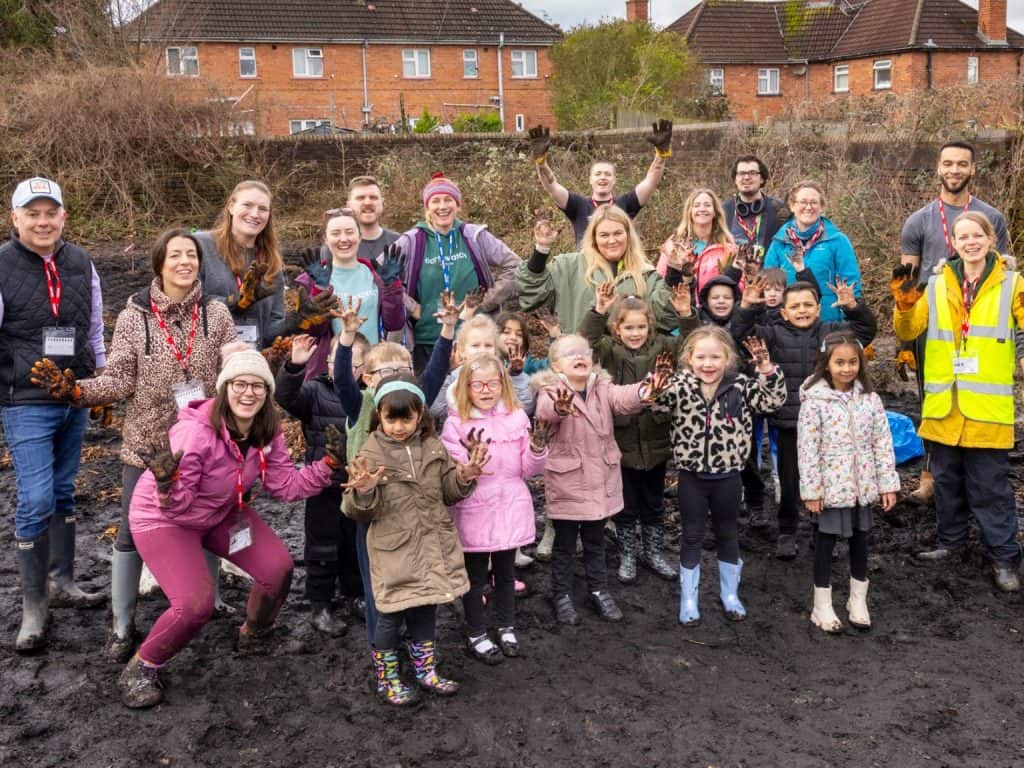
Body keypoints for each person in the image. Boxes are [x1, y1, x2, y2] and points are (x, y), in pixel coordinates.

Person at [32, 228, 239, 661]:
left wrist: (260, 366)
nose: (185, 262)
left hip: (202, 441)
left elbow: (232, 364)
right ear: (159, 264)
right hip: (147, 443)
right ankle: (122, 625)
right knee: (130, 533)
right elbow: (121, 377)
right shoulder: (134, 318)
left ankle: (212, 602)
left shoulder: (216, 314)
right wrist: (77, 392)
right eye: (175, 255)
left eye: (192, 255)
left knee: (208, 519)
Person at [116, 348, 345, 708]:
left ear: (267, 394)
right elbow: (178, 504)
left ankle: (255, 634)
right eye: (240, 384)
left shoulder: (267, 432)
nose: (248, 393)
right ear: (224, 388)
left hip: (219, 511)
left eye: (258, 386)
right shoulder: (195, 434)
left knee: (277, 568)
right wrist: (166, 482)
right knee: (194, 605)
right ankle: (144, 665)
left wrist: (329, 465)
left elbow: (286, 487)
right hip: (165, 518)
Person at [892, 211, 1024, 592]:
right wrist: (903, 303)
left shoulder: (1012, 283)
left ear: (989, 239)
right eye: (962, 236)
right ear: (954, 243)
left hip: (986, 410)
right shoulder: (935, 285)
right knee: (947, 482)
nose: (970, 242)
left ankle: (1004, 558)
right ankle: (950, 544)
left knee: (991, 488)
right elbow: (909, 329)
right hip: (944, 406)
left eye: (977, 235)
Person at [342, 374, 490, 706]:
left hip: (433, 544)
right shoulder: (370, 453)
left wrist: (465, 475)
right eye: (390, 418)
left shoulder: (433, 447)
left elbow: (449, 492)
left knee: (427, 608)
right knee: (391, 615)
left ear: (419, 414)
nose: (397, 426)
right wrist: (364, 491)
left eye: (405, 418)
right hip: (394, 550)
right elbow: (359, 511)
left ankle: (426, 671)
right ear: (378, 415)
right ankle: (388, 678)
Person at [5, 176, 106, 653]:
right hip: (24, 401)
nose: (43, 222)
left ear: (63, 215)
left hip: (75, 395)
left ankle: (63, 581)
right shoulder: (2, 266)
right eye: (33, 213)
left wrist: (101, 382)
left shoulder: (81, 261)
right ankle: (33, 604)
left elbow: (94, 325)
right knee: (37, 498)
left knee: (64, 491)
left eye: (51, 213)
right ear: (15, 219)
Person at [899, 140, 1012, 507]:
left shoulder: (991, 216)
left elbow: (1006, 270)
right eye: (948, 163)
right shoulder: (919, 220)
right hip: (936, 328)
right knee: (934, 403)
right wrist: (904, 343)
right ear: (938, 167)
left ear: (973, 169)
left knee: (976, 401)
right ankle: (932, 476)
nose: (954, 170)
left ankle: (973, 477)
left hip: (980, 326)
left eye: (962, 164)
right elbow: (907, 281)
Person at [732, 270, 877, 557]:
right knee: (789, 482)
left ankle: (822, 530)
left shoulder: (832, 333)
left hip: (826, 425)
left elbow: (865, 332)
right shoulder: (772, 335)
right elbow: (741, 334)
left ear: (818, 308)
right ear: (783, 312)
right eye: (795, 306)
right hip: (789, 423)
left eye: (807, 305)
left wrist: (852, 306)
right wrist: (748, 306)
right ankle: (786, 531)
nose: (802, 311)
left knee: (825, 478)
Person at [649, 328, 786, 626]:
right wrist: (656, 384)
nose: (707, 364)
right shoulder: (680, 385)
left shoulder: (741, 385)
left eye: (715, 357)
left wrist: (766, 368)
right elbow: (656, 407)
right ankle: (688, 598)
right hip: (692, 478)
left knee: (728, 533)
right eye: (701, 357)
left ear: (728, 359)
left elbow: (772, 402)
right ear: (689, 359)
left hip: (728, 477)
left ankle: (730, 595)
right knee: (692, 535)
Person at [532, 334, 667, 626]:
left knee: (596, 542)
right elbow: (545, 411)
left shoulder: (602, 388)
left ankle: (598, 589)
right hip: (569, 484)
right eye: (570, 354)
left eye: (583, 351)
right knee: (565, 544)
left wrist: (647, 389)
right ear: (556, 365)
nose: (579, 356)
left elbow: (625, 397)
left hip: (598, 483)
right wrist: (559, 409)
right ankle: (562, 595)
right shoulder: (551, 390)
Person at [579, 280, 696, 584]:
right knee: (626, 505)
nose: (635, 333)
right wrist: (598, 311)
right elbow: (583, 344)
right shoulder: (607, 350)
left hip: (656, 439)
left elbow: (693, 343)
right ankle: (628, 554)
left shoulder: (664, 347)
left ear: (650, 326)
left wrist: (686, 314)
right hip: (620, 441)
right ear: (616, 328)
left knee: (654, 503)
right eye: (628, 327)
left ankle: (654, 552)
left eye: (640, 327)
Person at [440, 354, 547, 664]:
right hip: (474, 508)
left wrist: (538, 448)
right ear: (465, 388)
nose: (486, 390)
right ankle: (476, 631)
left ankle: (506, 625)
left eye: (493, 383)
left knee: (505, 573)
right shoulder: (456, 424)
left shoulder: (517, 418)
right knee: (474, 577)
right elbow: (455, 473)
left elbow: (527, 469)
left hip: (510, 508)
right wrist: (471, 463)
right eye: (478, 385)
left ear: (503, 385)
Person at [798, 332, 899, 633]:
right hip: (831, 488)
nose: (846, 368)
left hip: (862, 486)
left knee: (860, 541)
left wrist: (887, 483)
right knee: (826, 543)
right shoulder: (814, 402)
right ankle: (822, 605)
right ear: (826, 364)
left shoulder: (870, 399)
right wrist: (812, 490)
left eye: (852, 362)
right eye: (839, 362)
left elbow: (882, 443)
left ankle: (857, 601)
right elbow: (807, 450)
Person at [275, 329, 372, 636]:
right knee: (322, 546)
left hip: (357, 486)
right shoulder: (315, 391)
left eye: (349, 362)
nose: (338, 366)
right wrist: (294, 368)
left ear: (363, 370)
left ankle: (355, 594)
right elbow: (285, 398)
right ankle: (320, 604)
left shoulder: (367, 399)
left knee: (355, 545)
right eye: (332, 360)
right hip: (323, 485)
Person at [392, 173, 519, 372]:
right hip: (428, 340)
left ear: (457, 204)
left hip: (474, 341)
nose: (442, 206)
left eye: (448, 200)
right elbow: (380, 277)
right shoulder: (411, 241)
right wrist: (413, 308)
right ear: (427, 206)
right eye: (435, 201)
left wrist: (487, 301)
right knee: (434, 399)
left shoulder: (474, 236)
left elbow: (514, 266)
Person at [517, 205, 677, 336]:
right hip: (578, 362)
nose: (612, 240)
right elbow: (532, 295)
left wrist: (675, 270)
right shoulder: (568, 266)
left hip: (629, 366)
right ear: (593, 238)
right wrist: (541, 249)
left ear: (628, 235)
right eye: (604, 235)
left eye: (618, 233)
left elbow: (665, 316)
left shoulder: (646, 273)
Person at [291, 208, 405, 378]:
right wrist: (319, 290)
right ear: (326, 239)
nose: (343, 239)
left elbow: (394, 323)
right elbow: (314, 332)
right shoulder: (312, 279)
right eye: (336, 233)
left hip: (371, 367)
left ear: (360, 237)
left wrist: (391, 286)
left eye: (349, 232)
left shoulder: (376, 274)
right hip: (329, 369)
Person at [528, 121, 673, 244]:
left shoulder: (625, 203)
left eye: (607, 174)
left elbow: (651, 181)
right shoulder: (577, 205)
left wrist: (660, 155)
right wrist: (541, 163)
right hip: (586, 271)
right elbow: (551, 185)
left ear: (614, 180)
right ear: (590, 180)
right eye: (598, 174)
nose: (603, 177)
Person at [194, 180, 289, 348]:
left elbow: (272, 327)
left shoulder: (271, 262)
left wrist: (296, 322)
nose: (255, 214)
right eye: (247, 205)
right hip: (206, 359)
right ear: (231, 206)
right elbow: (185, 300)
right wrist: (234, 302)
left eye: (263, 209)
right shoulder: (201, 245)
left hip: (251, 365)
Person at [764, 181, 863, 323]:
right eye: (803, 202)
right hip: (788, 324)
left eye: (814, 202)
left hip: (828, 323)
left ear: (821, 206)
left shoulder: (838, 240)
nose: (808, 207)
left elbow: (852, 285)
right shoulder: (779, 242)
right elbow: (769, 283)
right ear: (792, 206)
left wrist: (848, 321)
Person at [656, 188, 737, 306]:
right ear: (689, 211)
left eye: (707, 205)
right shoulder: (673, 245)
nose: (702, 209)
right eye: (697, 205)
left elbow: (738, 286)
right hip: (680, 312)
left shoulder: (729, 249)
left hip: (715, 314)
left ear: (715, 212)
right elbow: (660, 282)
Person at [721, 155, 789, 256]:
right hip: (733, 270)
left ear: (761, 179)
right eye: (741, 173)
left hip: (770, 270)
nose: (747, 177)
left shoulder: (779, 208)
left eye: (752, 173)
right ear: (735, 179)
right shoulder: (723, 210)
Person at [346, 176, 401, 262]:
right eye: (360, 198)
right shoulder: (338, 246)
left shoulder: (399, 242)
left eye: (373, 197)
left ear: (382, 203)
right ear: (349, 205)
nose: (368, 202)